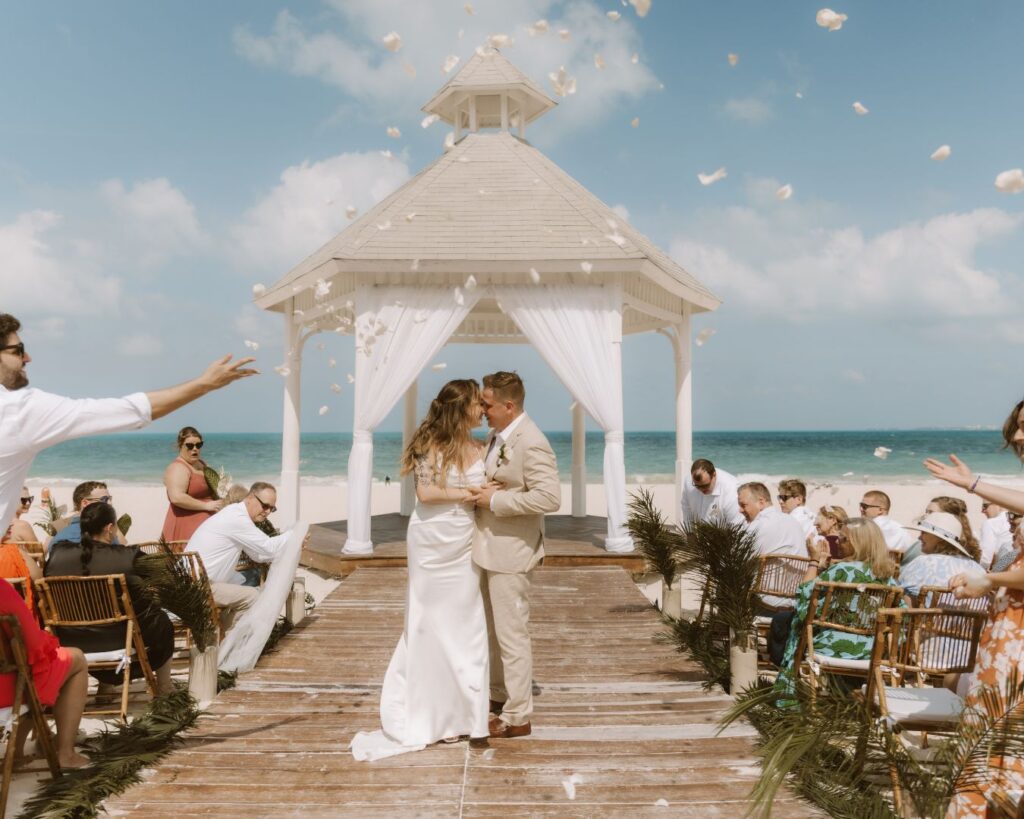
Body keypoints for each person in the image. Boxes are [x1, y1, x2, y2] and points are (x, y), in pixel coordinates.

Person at [0, 311, 257, 538]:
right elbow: (128, 411)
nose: (28, 358)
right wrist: (204, 384)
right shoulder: (19, 410)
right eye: (18, 350)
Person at [350, 379, 490, 760]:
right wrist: (468, 495)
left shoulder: (484, 446)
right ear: (461, 409)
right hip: (431, 543)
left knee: (467, 626)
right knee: (429, 625)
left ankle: (467, 716)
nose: (483, 410)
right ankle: (433, 716)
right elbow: (425, 494)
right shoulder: (428, 443)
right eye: (478, 404)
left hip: (464, 542)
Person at [924, 396, 1024, 817]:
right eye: (1017, 427)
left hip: (1017, 644)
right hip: (1007, 636)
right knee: (992, 741)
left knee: (1002, 739)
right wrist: (972, 482)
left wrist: (991, 579)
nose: (1018, 436)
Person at [470, 371, 560, 740]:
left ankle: (519, 715)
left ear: (509, 406)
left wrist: (495, 500)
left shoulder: (532, 442)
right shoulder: (498, 435)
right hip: (490, 547)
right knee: (492, 631)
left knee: (512, 634)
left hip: (512, 551)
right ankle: (498, 696)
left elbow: (549, 498)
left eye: (487, 405)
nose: (482, 411)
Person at [45, 502, 175, 695]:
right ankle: (164, 688)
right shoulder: (126, 557)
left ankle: (105, 686)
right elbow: (165, 578)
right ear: (109, 528)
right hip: (117, 639)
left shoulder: (58, 555)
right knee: (162, 622)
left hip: (70, 639)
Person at [772, 518, 901, 697]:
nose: (837, 543)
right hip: (871, 649)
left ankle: (792, 689)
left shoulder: (840, 571)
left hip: (831, 646)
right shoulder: (887, 577)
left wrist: (814, 561)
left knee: (789, 622)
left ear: (857, 543)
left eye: (843, 539)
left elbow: (803, 597)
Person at [0, 579, 89, 769]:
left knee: (31, 671)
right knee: (75, 659)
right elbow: (32, 644)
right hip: (6, 692)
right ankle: (65, 753)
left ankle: (15, 752)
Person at [187, 482, 291, 631]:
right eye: (265, 506)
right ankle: (228, 643)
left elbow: (259, 555)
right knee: (255, 597)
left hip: (201, 583)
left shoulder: (236, 514)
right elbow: (268, 548)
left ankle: (222, 637)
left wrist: (286, 545)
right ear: (250, 498)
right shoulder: (237, 518)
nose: (267, 512)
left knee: (251, 590)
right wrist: (294, 535)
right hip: (197, 587)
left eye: (272, 509)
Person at [739, 482, 809, 611]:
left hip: (767, 599)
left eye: (743, 505)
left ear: (761, 502)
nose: (740, 510)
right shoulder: (793, 521)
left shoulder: (758, 526)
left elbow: (737, 561)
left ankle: (725, 629)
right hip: (796, 598)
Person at [897, 512, 983, 598]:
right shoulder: (978, 569)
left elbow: (904, 603)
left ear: (938, 538)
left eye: (924, 533)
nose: (919, 537)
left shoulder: (923, 563)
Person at [161, 426, 223, 543]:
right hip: (185, 526)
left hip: (206, 526)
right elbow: (177, 497)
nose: (195, 449)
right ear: (180, 445)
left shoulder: (202, 464)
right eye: (190, 446)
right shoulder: (178, 467)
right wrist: (206, 506)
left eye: (199, 445)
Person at [50, 481, 116, 551]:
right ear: (85, 503)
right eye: (104, 499)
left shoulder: (59, 538)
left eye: (110, 499)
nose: (110, 503)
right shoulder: (107, 535)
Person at [680, 459, 744, 528]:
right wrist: (690, 533)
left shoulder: (732, 490)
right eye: (697, 486)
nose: (702, 489)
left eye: (705, 485)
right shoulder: (688, 482)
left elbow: (736, 525)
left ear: (714, 475)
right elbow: (686, 509)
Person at [858, 490, 914, 554]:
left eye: (864, 506)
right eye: (861, 505)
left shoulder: (867, 529)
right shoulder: (902, 529)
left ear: (880, 510)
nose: (861, 509)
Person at [978, 501, 1012, 570]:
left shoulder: (990, 523)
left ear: (997, 503)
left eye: (985, 506)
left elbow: (985, 559)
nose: (982, 510)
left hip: (1000, 571)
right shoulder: (1016, 522)